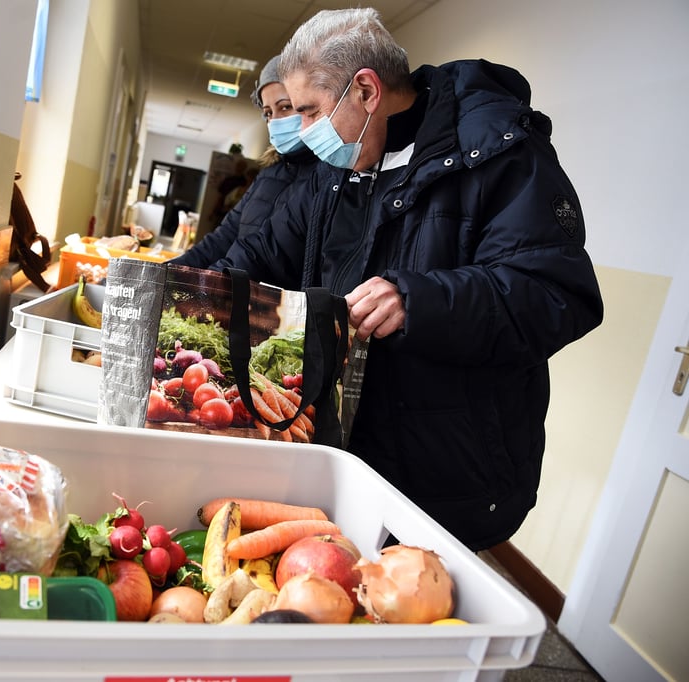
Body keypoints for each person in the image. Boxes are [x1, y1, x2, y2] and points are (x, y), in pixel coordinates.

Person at [213, 8, 604, 551]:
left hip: (446, 467)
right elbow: (262, 251)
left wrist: (418, 301)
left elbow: (559, 295)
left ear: (366, 92)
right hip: (343, 447)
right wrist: (192, 292)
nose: (303, 132)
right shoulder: (335, 170)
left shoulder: (501, 156)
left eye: (310, 111)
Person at [172, 55, 321, 269]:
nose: (275, 121)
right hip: (237, 291)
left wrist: (211, 280)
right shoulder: (267, 175)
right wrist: (168, 271)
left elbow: (264, 254)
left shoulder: (327, 177)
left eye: (286, 107)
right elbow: (222, 239)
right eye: (268, 112)